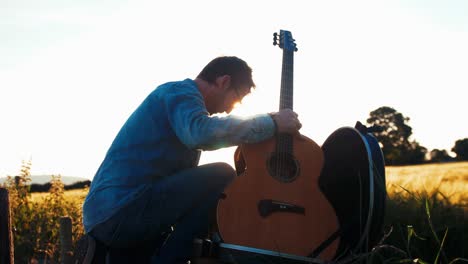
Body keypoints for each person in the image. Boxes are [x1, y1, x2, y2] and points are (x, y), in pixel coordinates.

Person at [82, 56, 302, 263]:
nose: (229, 109)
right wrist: (270, 123)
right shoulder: (179, 93)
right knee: (222, 174)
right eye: (236, 99)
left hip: (118, 212)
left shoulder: (181, 101)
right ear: (224, 81)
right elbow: (201, 133)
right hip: (122, 209)